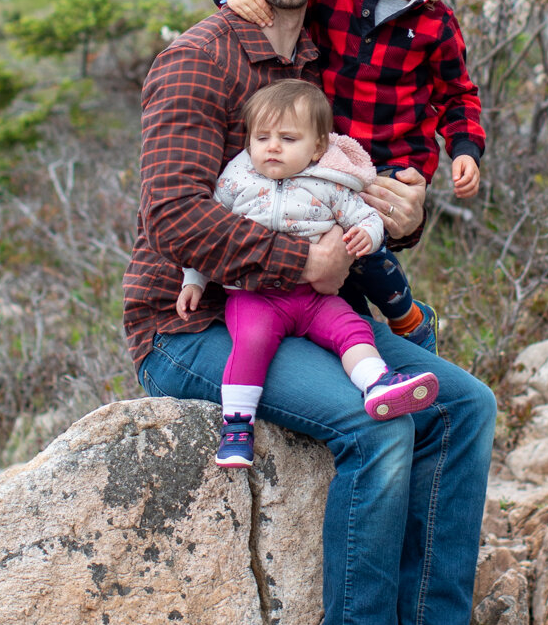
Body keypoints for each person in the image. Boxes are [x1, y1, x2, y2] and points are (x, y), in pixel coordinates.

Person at [127, 0, 503, 625]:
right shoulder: (199, 60)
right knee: (375, 423)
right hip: (194, 329)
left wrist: (407, 210)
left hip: (307, 314)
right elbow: (174, 218)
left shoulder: (320, 59)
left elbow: (369, 173)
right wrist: (302, 267)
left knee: (464, 405)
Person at [214, 0, 483, 340]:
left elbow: (458, 95)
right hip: (329, 152)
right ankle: (356, 337)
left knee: (366, 251)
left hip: (393, 163)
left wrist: (465, 150)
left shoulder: (436, 24)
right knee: (324, 244)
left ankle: (410, 324)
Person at [177, 78, 440, 470]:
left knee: (353, 328)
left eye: (287, 138)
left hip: (315, 299)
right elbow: (207, 232)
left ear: (318, 147)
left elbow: (365, 215)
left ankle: (376, 382)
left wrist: (366, 235)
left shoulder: (329, 184)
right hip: (255, 295)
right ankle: (236, 427)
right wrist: (193, 281)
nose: (272, 147)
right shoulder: (236, 179)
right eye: (261, 137)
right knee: (252, 341)